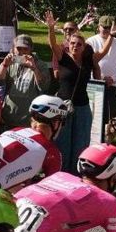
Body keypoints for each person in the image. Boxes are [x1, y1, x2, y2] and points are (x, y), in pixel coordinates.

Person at [46, 11, 99, 172]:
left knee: (81, 143)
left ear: (84, 47)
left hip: (82, 107)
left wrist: (109, 35)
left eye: (79, 44)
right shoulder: (63, 57)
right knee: (62, 143)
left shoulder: (87, 61)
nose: (75, 46)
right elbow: (52, 44)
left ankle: (76, 175)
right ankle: (61, 174)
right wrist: (51, 28)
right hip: (63, 107)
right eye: (73, 43)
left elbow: (101, 55)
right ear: (69, 44)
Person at [0, 34, 47, 127]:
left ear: (31, 49)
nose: (22, 52)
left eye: (25, 49)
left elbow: (44, 86)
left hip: (29, 119)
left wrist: (34, 68)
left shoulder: (40, 64)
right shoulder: (10, 63)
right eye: (19, 48)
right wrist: (4, 65)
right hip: (8, 116)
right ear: (14, 49)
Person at [87, 15, 116, 85]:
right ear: (99, 27)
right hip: (94, 83)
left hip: (112, 84)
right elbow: (87, 63)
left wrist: (113, 78)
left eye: (109, 27)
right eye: (104, 27)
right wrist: (101, 78)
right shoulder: (90, 41)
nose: (107, 30)